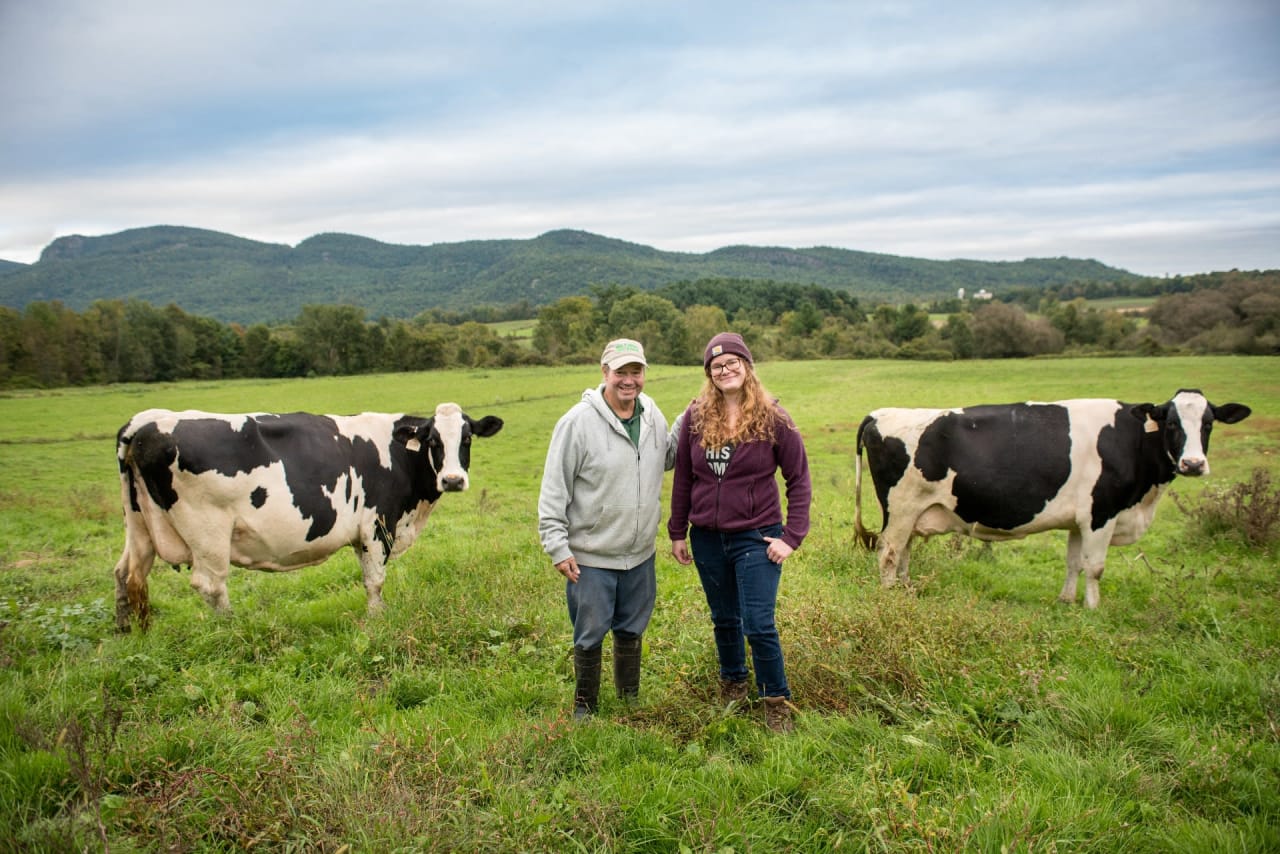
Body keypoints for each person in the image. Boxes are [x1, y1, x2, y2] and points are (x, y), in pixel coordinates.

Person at [668, 332, 812, 732]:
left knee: (758, 622)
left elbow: (798, 478)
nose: (725, 370)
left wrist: (791, 536)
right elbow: (684, 478)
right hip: (708, 537)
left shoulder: (773, 417)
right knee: (724, 619)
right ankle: (733, 684)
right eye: (717, 366)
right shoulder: (696, 417)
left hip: (757, 536)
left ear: (747, 367)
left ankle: (775, 701)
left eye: (732, 362)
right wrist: (678, 530)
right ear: (709, 375)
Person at [538, 338, 676, 719]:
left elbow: (667, 456)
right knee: (591, 632)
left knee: (632, 628)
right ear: (604, 373)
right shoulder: (577, 423)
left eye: (636, 372)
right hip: (592, 554)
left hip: (640, 553)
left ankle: (628, 700)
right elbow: (554, 488)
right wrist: (557, 546)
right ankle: (585, 708)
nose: (629, 381)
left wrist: (698, 416)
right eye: (621, 373)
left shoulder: (653, 416)